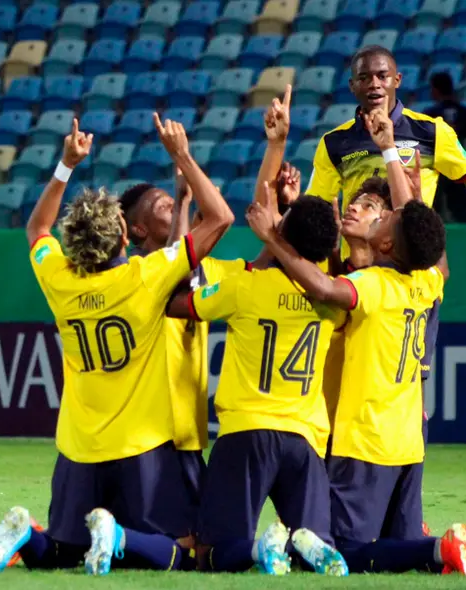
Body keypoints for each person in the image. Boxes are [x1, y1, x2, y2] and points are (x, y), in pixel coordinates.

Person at [249, 108, 466, 578]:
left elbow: (327, 285)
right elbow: (411, 238)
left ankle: (443, 548)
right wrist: (293, 214)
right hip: (399, 437)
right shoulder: (424, 282)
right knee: (395, 548)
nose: (360, 209)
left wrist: (274, 236)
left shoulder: (370, 286)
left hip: (363, 436)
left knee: (338, 550)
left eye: (377, 211)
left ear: (389, 241)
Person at [0, 116, 234, 576]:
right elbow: (221, 219)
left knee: (63, 552)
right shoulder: (145, 277)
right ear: (124, 235)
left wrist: (65, 165)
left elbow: (37, 229)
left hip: (78, 446)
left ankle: (26, 536)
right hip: (141, 447)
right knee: (181, 553)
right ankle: (116, 537)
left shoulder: (59, 279)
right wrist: (181, 154)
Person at [165, 194, 348, 577]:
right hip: (304, 441)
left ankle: (258, 549)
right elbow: (321, 274)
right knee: (313, 551)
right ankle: (303, 544)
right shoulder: (332, 300)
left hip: (247, 434)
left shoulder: (244, 286)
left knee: (211, 554)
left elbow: (177, 303)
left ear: (282, 233)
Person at [306, 45, 466, 294]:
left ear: (397, 80)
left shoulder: (431, 133)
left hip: (416, 281)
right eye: (364, 78)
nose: (374, 84)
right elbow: (317, 209)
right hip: (357, 279)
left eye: (382, 76)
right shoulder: (334, 143)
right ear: (352, 85)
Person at [118, 172, 251, 531]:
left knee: (203, 538)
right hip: (146, 436)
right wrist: (184, 203)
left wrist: (282, 208)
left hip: (187, 434)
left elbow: (261, 271)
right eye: (159, 204)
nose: (169, 201)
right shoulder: (134, 271)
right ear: (139, 230)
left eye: (170, 199)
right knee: (165, 539)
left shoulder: (208, 270)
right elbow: (172, 267)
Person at [422, 72, 466, 223]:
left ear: (436, 90)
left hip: (438, 163)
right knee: (459, 205)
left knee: (434, 204)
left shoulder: (431, 114)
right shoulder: (464, 111)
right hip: (457, 162)